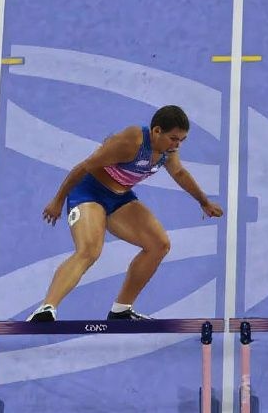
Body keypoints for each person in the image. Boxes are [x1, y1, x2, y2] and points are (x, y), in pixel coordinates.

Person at [28, 104, 224, 322]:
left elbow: (179, 172)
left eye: (181, 140)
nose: (177, 145)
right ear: (157, 131)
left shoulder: (168, 152)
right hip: (88, 192)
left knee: (159, 244)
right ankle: (46, 308)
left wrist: (203, 202)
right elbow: (84, 167)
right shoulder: (131, 141)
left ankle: (121, 310)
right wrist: (58, 200)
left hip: (120, 198)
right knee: (89, 251)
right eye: (173, 138)